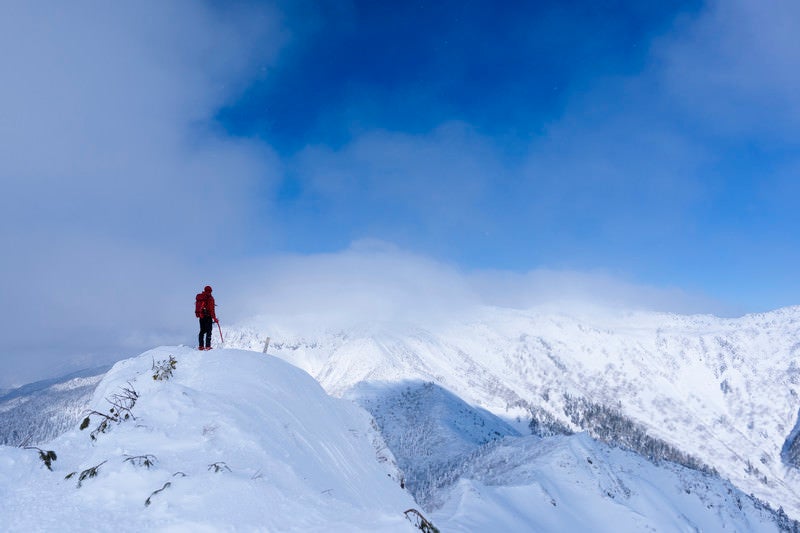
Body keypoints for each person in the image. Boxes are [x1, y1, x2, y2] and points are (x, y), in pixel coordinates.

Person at [195, 285, 218, 350]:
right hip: (208, 316)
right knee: (209, 331)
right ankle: (208, 346)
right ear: (210, 291)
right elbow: (212, 310)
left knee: (202, 331)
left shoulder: (200, 297)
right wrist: (214, 318)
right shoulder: (210, 298)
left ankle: (201, 346)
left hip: (201, 316)